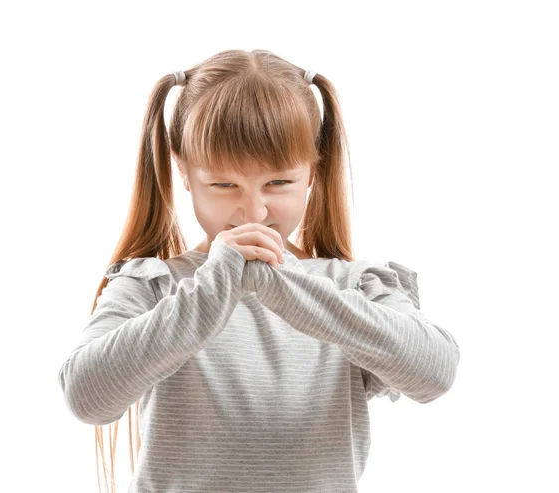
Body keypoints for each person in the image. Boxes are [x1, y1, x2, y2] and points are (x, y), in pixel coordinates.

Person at [57, 49, 461, 493]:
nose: (254, 211)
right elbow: (86, 397)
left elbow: (434, 374)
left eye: (279, 183)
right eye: (224, 185)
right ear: (184, 171)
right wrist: (214, 288)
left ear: (313, 171)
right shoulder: (151, 284)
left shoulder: (353, 285)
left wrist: (287, 286)